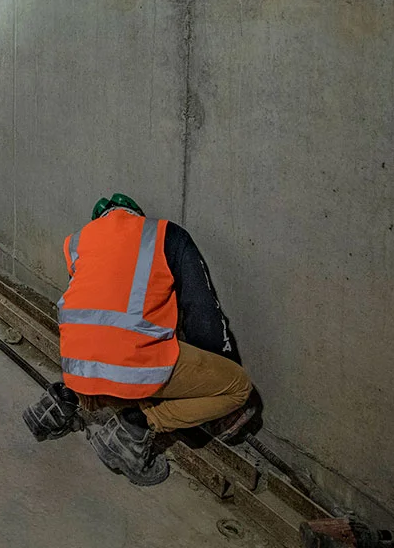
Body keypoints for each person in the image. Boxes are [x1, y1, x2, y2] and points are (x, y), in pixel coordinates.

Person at [22, 194, 255, 486]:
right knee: (238, 387)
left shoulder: (78, 242)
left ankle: (59, 402)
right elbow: (203, 313)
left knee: (106, 356)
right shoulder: (165, 235)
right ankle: (135, 428)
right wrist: (217, 366)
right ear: (136, 215)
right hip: (136, 366)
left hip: (77, 370)